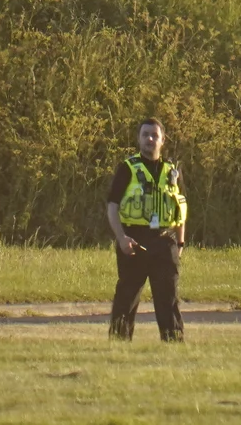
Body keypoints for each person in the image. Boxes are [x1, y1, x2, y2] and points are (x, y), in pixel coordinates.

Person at [104, 117, 189, 341]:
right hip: (134, 239)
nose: (150, 139)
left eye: (154, 135)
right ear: (139, 139)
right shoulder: (127, 169)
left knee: (168, 296)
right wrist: (121, 238)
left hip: (164, 240)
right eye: (145, 135)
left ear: (163, 140)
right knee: (127, 295)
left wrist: (179, 242)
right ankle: (119, 344)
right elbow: (112, 206)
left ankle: (173, 343)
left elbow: (180, 208)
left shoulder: (172, 171)